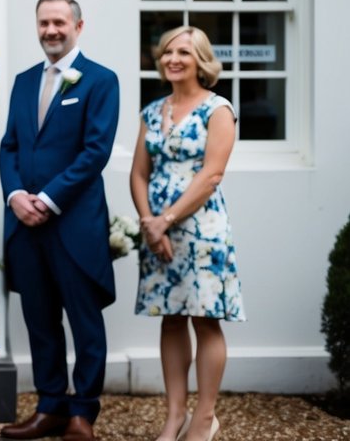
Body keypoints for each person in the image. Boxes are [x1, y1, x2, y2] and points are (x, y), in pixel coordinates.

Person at [0, 0, 120, 441]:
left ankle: (82, 414)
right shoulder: (24, 80)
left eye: (59, 23)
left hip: (73, 224)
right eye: (44, 23)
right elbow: (9, 145)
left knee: (85, 323)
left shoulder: (101, 81)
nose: (50, 30)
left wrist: (47, 199)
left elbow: (95, 152)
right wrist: (14, 196)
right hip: (24, 226)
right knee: (40, 320)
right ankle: (50, 406)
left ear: (78, 27)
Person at [131, 26, 244, 441]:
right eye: (167, 52)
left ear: (201, 60)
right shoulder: (152, 111)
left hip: (201, 230)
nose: (173, 59)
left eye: (184, 52)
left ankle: (204, 417)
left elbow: (212, 174)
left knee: (205, 319)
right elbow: (139, 173)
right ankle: (174, 416)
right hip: (157, 232)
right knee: (171, 320)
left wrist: (168, 219)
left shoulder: (218, 109)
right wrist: (149, 222)